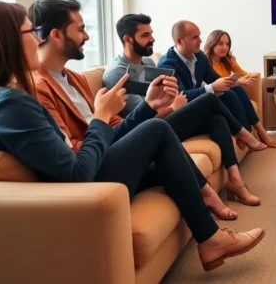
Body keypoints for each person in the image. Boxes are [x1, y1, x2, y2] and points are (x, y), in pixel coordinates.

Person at [0, 1, 264, 272]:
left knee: (167, 146)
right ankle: (213, 225)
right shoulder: (12, 103)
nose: (37, 39)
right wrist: (101, 117)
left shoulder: (47, 87)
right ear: (5, 40)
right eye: (31, 32)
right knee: (158, 129)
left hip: (95, 163)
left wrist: (147, 106)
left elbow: (106, 137)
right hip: (85, 186)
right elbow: (77, 171)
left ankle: (211, 233)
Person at [100, 13, 262, 207]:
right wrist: (173, 107)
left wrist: (172, 103)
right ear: (127, 39)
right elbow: (142, 117)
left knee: (217, 119)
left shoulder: (148, 63)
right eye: (145, 35)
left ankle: (235, 180)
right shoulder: (118, 73)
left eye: (151, 33)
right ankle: (244, 133)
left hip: (168, 117)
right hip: (149, 130)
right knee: (209, 99)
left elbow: (166, 96)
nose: (153, 39)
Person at [157, 20, 269, 155]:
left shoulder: (199, 56)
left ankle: (248, 132)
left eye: (199, 36)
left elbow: (215, 79)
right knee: (216, 97)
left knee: (234, 90)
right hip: (182, 110)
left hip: (199, 102)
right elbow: (181, 96)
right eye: (195, 37)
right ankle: (245, 135)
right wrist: (212, 87)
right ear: (179, 41)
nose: (200, 40)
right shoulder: (167, 64)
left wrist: (231, 82)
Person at [203, 29, 276, 148]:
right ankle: (252, 132)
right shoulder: (205, 62)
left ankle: (258, 130)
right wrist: (237, 82)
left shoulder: (228, 60)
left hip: (228, 93)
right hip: (215, 96)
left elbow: (244, 74)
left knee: (238, 90)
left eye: (227, 44)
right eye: (220, 44)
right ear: (212, 43)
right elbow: (214, 84)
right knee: (236, 90)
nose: (225, 47)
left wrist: (239, 77)